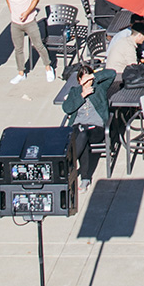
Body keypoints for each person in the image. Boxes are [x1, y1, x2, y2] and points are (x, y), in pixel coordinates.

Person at [62, 63, 115, 191]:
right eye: (84, 80)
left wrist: (92, 76)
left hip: (96, 128)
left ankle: (69, 164)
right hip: (78, 127)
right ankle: (85, 179)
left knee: (84, 134)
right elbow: (67, 109)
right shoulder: (75, 92)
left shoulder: (99, 88)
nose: (88, 83)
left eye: (90, 80)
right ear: (79, 80)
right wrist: (82, 96)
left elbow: (111, 74)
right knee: (82, 136)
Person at [2, 0, 54, 84]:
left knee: (39, 45)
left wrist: (27, 12)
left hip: (29, 21)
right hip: (15, 23)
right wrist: (12, 11)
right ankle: (21, 72)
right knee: (18, 48)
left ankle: (48, 67)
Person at [104, 20, 144, 86]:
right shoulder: (129, 46)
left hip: (114, 72)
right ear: (139, 35)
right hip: (118, 76)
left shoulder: (125, 41)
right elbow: (134, 67)